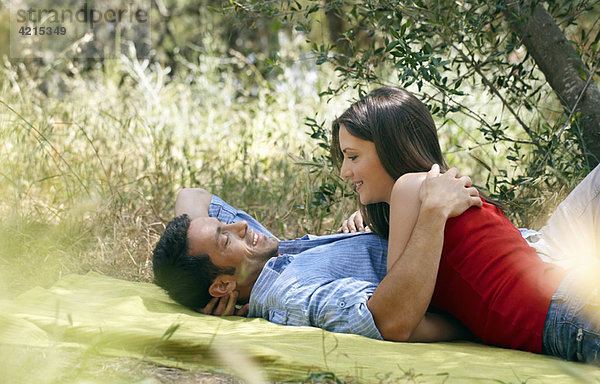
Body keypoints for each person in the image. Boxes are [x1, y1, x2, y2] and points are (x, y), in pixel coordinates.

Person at [329, 86, 600, 363]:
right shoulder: (423, 201)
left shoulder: (413, 188)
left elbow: (393, 322)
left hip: (571, 309)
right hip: (570, 307)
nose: (344, 171)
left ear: (391, 147)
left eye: (353, 156)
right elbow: (407, 324)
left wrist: (433, 211)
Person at [153, 166, 482, 342]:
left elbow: (191, 195)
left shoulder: (259, 256)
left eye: (222, 226)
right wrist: (433, 213)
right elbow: (390, 321)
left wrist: (192, 285)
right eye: (224, 240)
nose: (239, 225)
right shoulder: (290, 294)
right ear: (223, 286)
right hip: (486, 278)